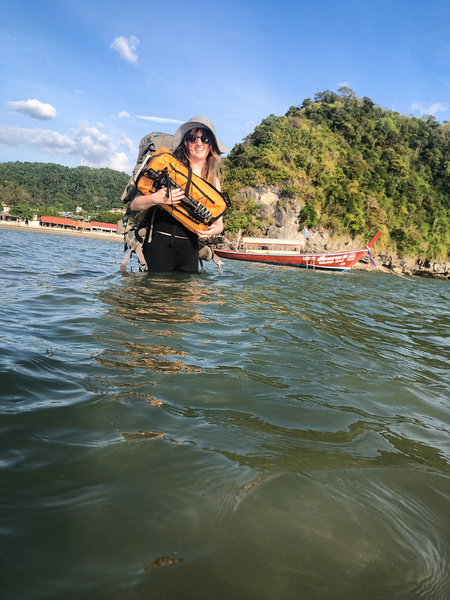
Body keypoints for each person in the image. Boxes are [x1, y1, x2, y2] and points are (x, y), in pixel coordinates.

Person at [129, 116, 229, 273]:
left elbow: (219, 224)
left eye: (204, 139)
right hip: (158, 244)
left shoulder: (213, 181)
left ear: (211, 145)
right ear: (186, 142)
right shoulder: (169, 168)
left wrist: (212, 231)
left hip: (190, 249)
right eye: (192, 138)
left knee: (187, 296)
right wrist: (157, 198)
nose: (199, 143)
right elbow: (134, 205)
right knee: (152, 295)